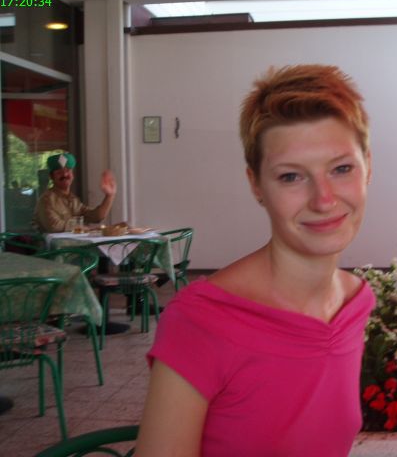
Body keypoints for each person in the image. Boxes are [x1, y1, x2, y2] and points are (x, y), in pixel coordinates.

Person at [136, 64, 375, 456]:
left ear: (368, 167)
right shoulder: (201, 322)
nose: (324, 199)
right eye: (291, 177)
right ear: (256, 184)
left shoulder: (355, 302)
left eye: (341, 168)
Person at [33, 152, 117, 233]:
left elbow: (96, 217)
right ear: (51, 177)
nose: (65, 175)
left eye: (68, 171)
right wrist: (82, 228)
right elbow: (54, 226)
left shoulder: (73, 200)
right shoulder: (46, 200)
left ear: (72, 175)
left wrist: (109, 196)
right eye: (59, 172)